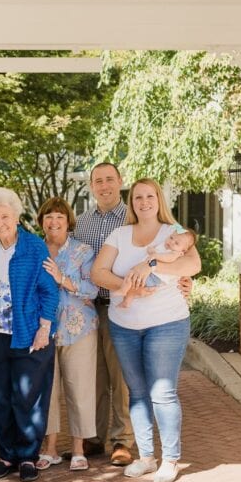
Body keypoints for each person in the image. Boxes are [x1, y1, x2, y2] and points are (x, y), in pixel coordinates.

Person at [92, 178, 202, 482]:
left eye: (150, 196)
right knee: (137, 394)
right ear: (132, 203)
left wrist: (150, 266)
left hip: (166, 323)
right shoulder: (120, 234)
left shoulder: (173, 232)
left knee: (162, 393)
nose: (144, 201)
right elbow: (97, 272)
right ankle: (146, 458)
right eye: (138, 197)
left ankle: (170, 459)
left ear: (159, 199)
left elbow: (192, 265)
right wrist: (128, 286)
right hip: (124, 325)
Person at [0, 187, 59, 482]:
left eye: (5, 217)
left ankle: (27, 456)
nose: (0, 223)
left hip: (28, 334)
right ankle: (6, 455)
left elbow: (50, 292)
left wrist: (45, 328)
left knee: (27, 398)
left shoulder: (34, 247)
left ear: (16, 216)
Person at [72, 162, 136, 466]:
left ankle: (122, 440)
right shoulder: (82, 222)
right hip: (87, 310)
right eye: (98, 181)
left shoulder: (133, 217)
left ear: (120, 181)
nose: (104, 185)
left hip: (120, 307)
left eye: (110, 179)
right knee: (93, 376)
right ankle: (94, 437)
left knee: (120, 377)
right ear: (91, 186)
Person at [35, 197, 99, 472]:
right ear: (42, 221)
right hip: (43, 331)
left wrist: (63, 279)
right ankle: (49, 448)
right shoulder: (35, 250)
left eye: (59, 217)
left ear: (68, 220)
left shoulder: (83, 251)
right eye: (48, 216)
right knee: (47, 390)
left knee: (79, 388)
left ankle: (77, 449)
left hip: (79, 329)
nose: (54, 222)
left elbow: (92, 289)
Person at [116, 224, 195, 308]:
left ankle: (127, 298)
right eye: (171, 237)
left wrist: (155, 255)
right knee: (131, 274)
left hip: (155, 276)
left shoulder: (175, 253)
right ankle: (125, 295)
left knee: (135, 282)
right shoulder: (164, 246)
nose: (171, 242)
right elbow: (154, 251)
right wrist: (152, 250)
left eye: (176, 243)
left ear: (183, 251)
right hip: (148, 272)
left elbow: (168, 259)